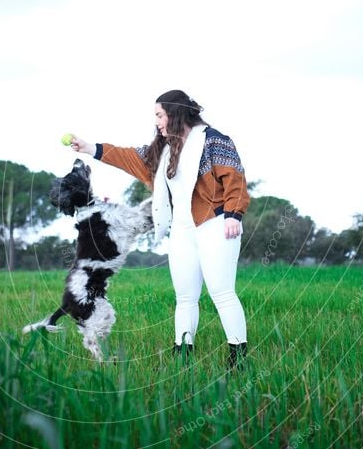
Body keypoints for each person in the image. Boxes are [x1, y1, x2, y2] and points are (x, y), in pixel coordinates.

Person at [70, 90, 251, 370]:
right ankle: (182, 354)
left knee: (221, 291)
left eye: (159, 115)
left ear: (175, 114)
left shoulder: (214, 141)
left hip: (215, 223)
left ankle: (238, 358)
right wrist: (90, 148)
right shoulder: (163, 150)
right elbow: (128, 157)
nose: (156, 121)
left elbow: (235, 178)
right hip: (181, 229)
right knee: (185, 297)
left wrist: (234, 215)